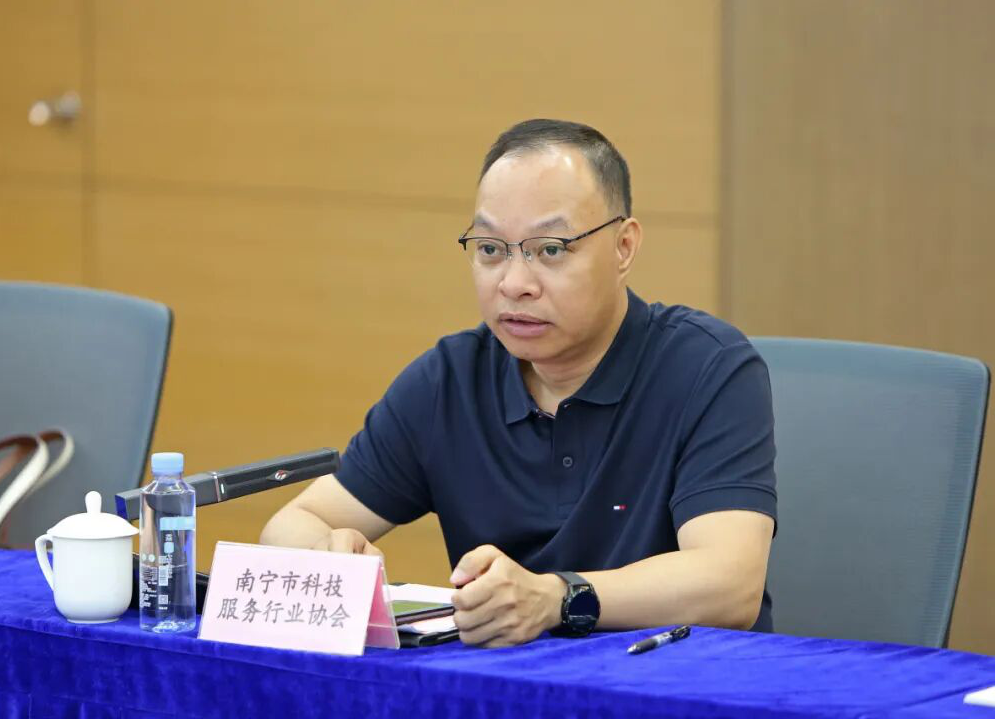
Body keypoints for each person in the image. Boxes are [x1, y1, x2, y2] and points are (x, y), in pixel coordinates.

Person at [261, 118, 777, 647]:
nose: (513, 283)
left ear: (623, 247)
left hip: (671, 680)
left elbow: (730, 585)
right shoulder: (450, 381)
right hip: (503, 686)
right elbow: (292, 523)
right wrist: (329, 555)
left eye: (550, 249)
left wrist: (556, 597)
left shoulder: (706, 368)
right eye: (490, 249)